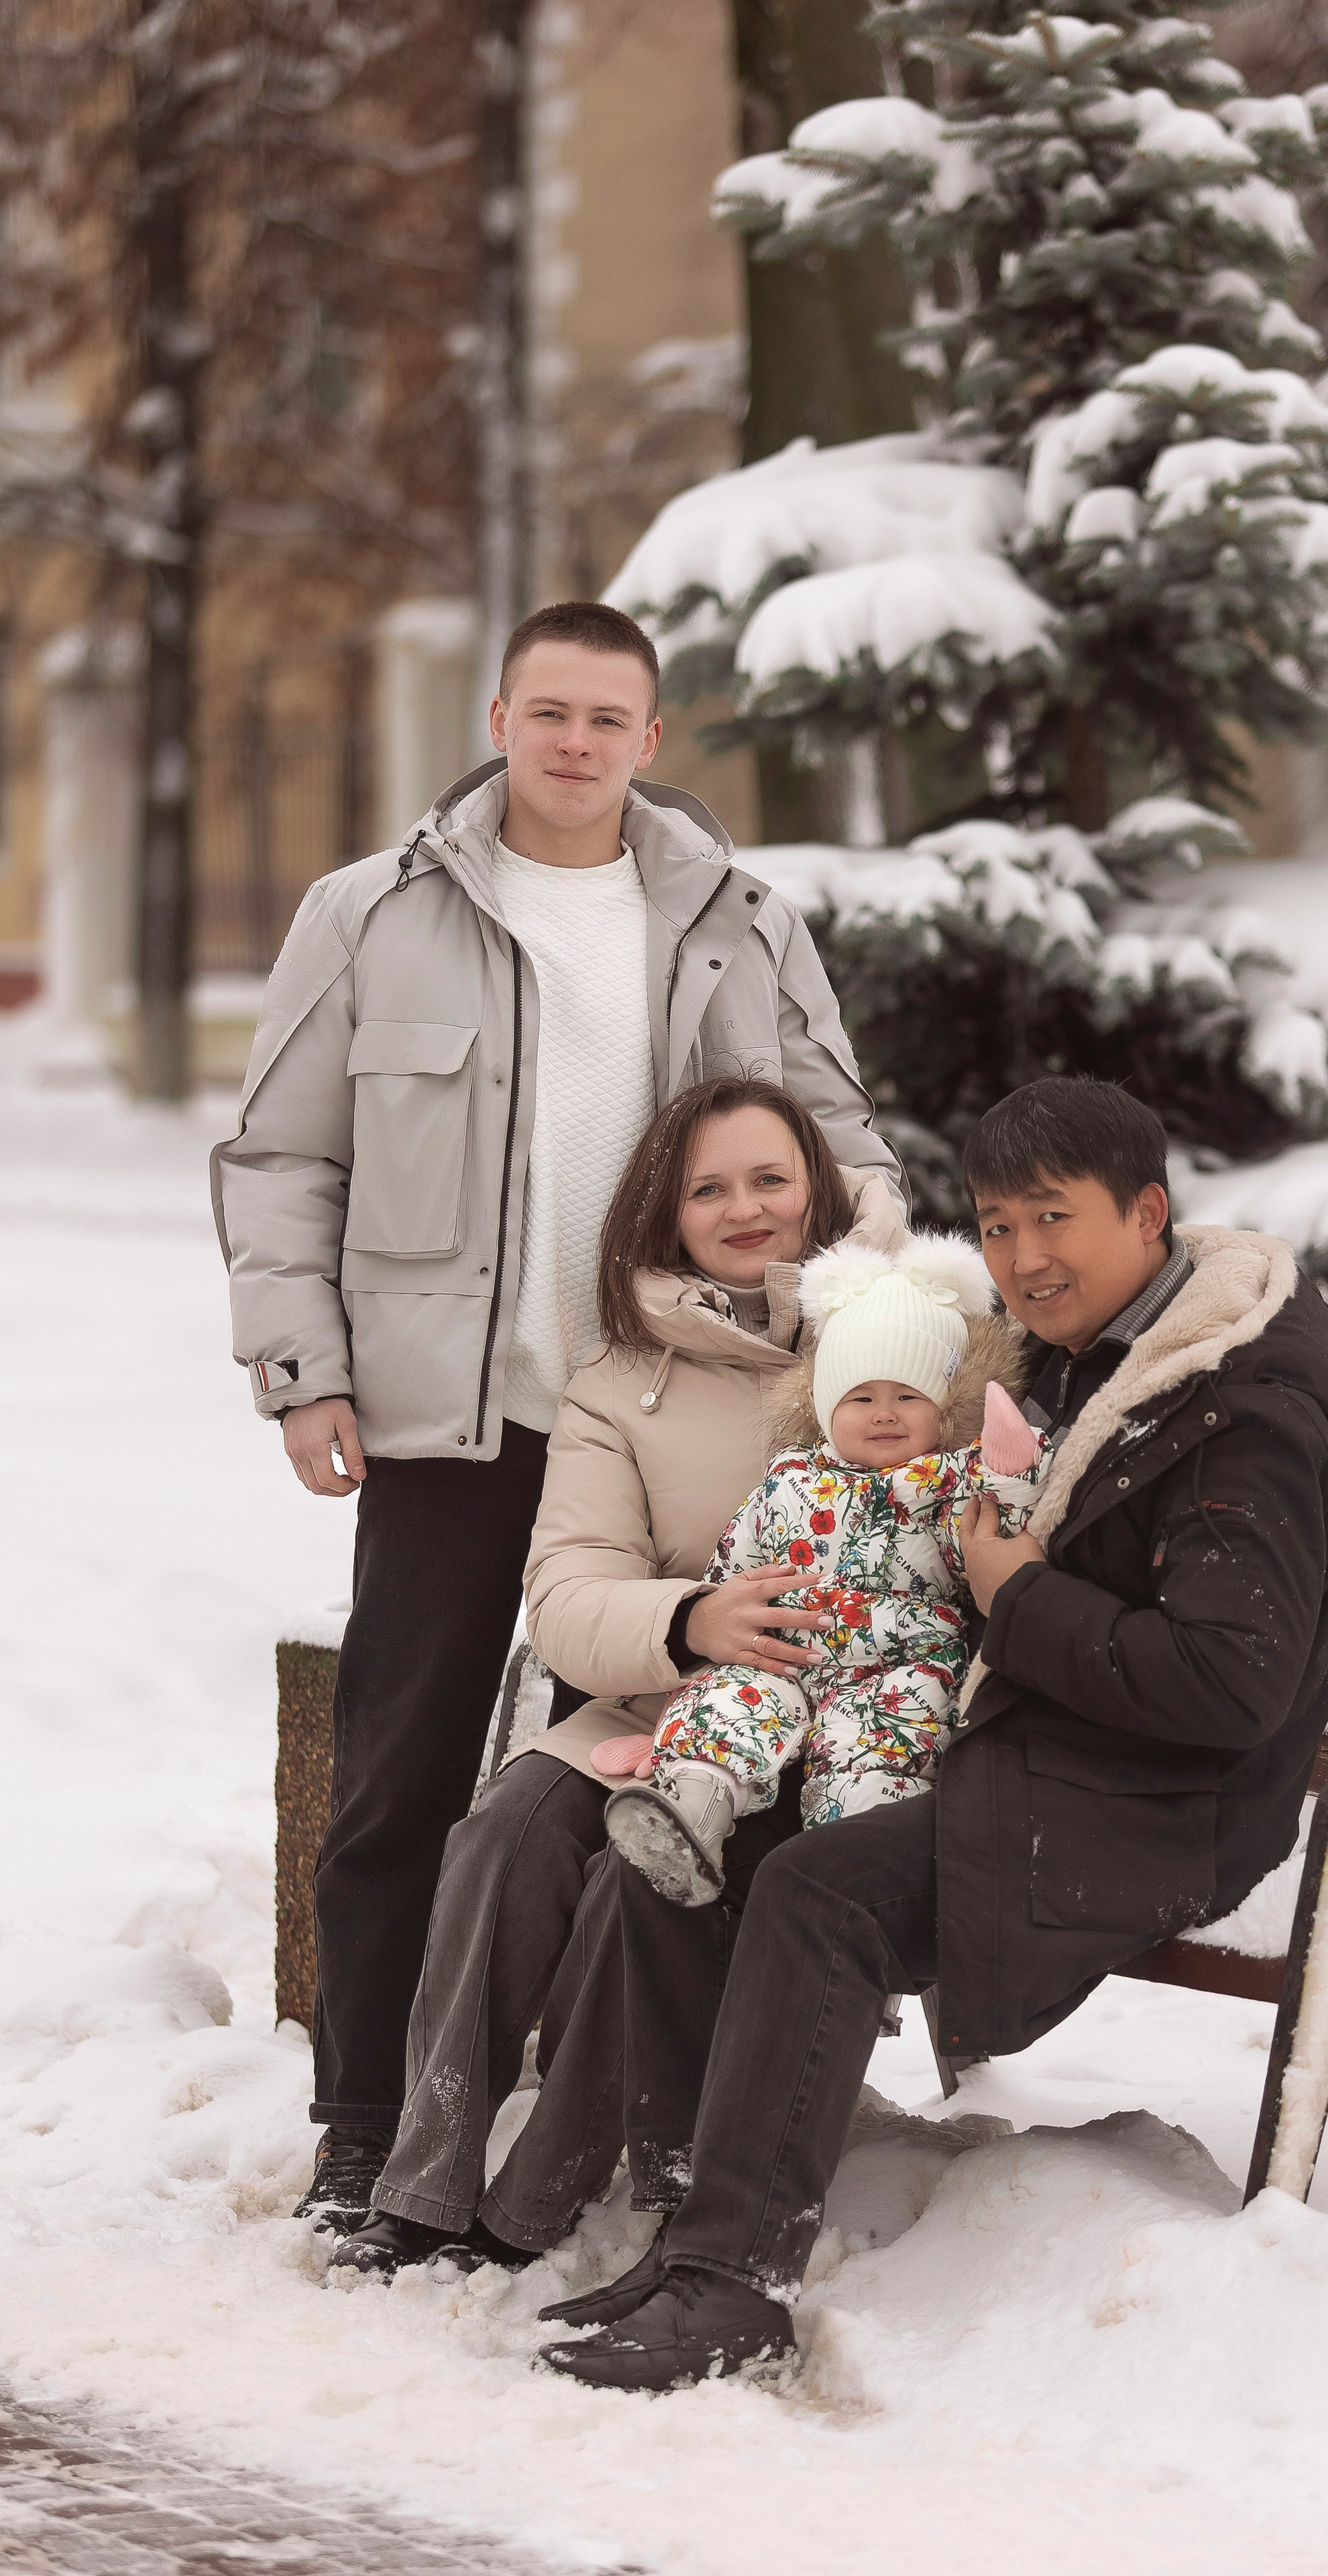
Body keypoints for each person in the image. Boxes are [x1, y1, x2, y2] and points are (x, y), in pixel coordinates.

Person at [212, 599, 903, 2228]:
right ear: (503, 716)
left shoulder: (738, 918)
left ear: (650, 740)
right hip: (456, 1421)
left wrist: (871, 1309)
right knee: (398, 1780)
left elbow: (839, 1139)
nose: (577, 744)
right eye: (551, 714)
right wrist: (302, 1368)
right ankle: (364, 2127)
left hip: (679, 1409)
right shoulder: (370, 912)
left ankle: (661, 2116)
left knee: (681, 1751)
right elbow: (282, 1155)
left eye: (611, 719)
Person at [540, 1075, 1328, 2389]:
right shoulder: (1072, 1359)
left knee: (821, 1889)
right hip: (1038, 1750)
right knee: (704, 1845)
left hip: (1162, 1802)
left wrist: (1016, 1599)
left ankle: (735, 2285)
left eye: (1054, 1219)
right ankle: (690, 2229)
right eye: (994, 1226)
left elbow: (1228, 1689)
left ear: (1146, 1214)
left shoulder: (1235, 1413)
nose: (1022, 1259)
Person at [326, 1075, 903, 2277]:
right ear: (667, 1214)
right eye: (708, 1190)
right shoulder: (616, 1382)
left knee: (627, 1883)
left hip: (827, 1727)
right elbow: (571, 1595)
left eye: (770, 1180)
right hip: (650, 1703)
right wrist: (694, 1617)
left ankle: (539, 2202)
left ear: (820, 1190)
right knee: (508, 1830)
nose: (744, 1211)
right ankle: (424, 2179)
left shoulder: (890, 1341)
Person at [603, 1234, 1042, 1904]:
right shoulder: (789, 1478)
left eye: (908, 1396)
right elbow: (737, 1563)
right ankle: (692, 1811)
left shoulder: (948, 1483)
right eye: (861, 1397)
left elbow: (992, 1537)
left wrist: (1012, 1471)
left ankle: (850, 1874)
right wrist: (720, 1620)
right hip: (785, 1652)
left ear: (946, 1410)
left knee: (879, 1754)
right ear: (827, 1406)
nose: (885, 1413)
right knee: (728, 1708)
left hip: (895, 1662)